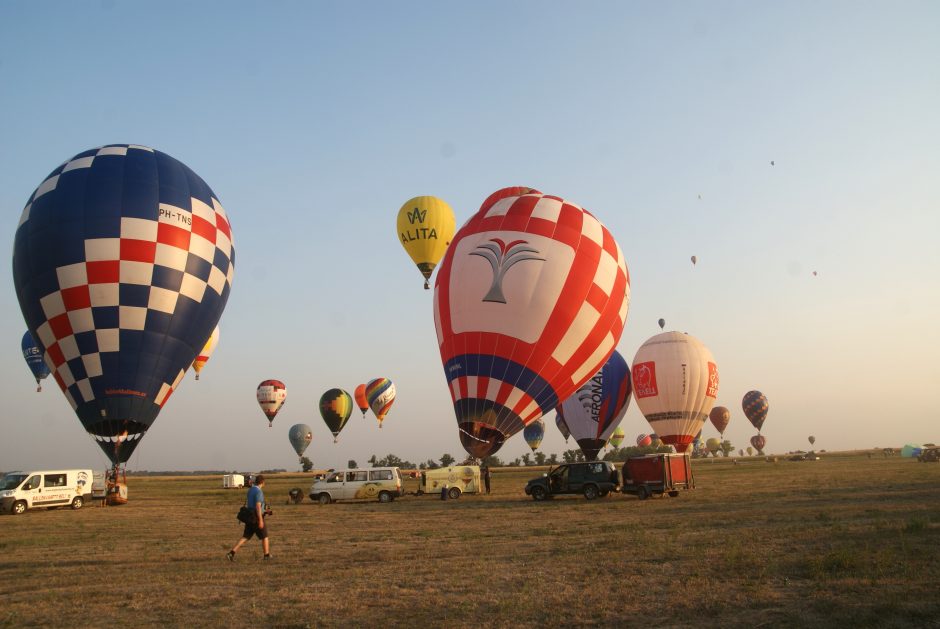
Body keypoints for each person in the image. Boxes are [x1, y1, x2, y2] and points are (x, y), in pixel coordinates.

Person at [227, 474, 271, 561]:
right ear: (262, 482)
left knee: (245, 536)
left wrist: (265, 510)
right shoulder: (259, 492)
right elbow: (258, 506)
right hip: (256, 517)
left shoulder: (250, 490)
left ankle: (231, 553)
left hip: (249, 517)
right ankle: (266, 556)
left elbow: (251, 504)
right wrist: (261, 520)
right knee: (265, 536)